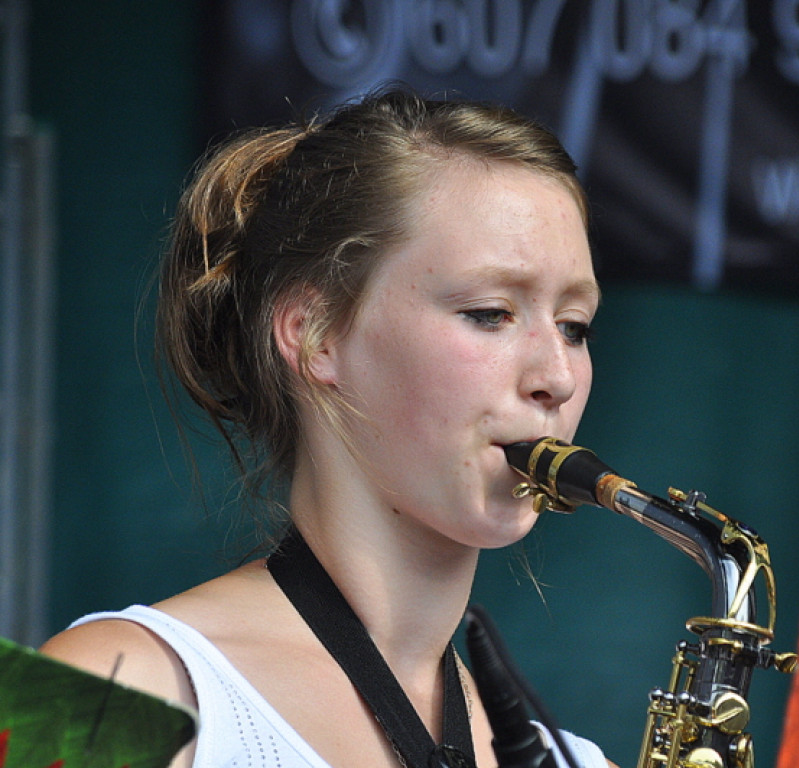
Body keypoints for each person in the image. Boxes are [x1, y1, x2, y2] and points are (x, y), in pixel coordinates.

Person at [40, 86, 613, 768]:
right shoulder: (96, 686)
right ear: (316, 335)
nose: (558, 375)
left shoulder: (581, 762)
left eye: (575, 326)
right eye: (490, 312)